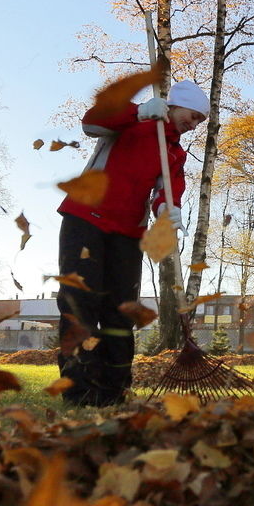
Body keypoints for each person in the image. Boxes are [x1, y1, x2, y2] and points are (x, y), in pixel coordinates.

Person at [57, 79, 209, 407]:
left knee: (121, 310)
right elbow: (92, 123)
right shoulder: (134, 122)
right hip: (85, 218)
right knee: (79, 303)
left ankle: (115, 390)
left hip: (127, 233)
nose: (194, 124)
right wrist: (138, 111)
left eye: (200, 121)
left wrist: (169, 209)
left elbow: (166, 192)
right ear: (174, 104)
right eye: (193, 115)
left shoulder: (174, 154)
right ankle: (79, 390)